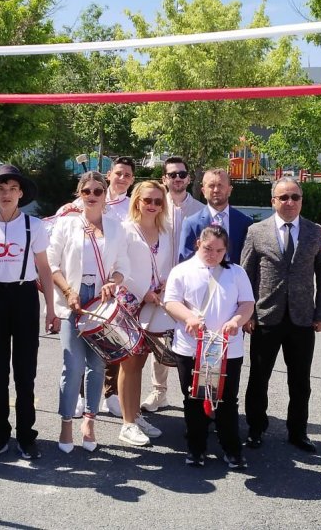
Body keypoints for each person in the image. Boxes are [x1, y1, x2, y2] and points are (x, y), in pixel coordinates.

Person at [0, 164, 56, 460]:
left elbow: (44, 269)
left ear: (21, 194)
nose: (6, 194)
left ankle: (26, 435)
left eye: (12, 189)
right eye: (0, 189)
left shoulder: (34, 227)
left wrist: (51, 310)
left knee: (25, 371)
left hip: (25, 295)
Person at [241, 177, 321, 453]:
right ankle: (256, 429)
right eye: (284, 197)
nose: (290, 202)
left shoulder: (315, 232)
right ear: (273, 201)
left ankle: (298, 432)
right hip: (266, 317)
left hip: (303, 319)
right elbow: (246, 275)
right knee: (258, 378)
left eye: (295, 197)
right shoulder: (257, 231)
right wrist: (247, 314)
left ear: (301, 200)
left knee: (300, 381)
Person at [48, 172, 131, 453]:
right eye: (87, 191)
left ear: (106, 194)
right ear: (79, 194)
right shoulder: (66, 224)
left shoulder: (116, 227)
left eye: (98, 191)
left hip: (100, 303)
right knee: (72, 367)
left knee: (97, 366)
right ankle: (66, 423)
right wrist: (68, 292)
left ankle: (90, 422)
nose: (93, 196)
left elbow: (123, 265)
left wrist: (113, 281)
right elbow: (50, 264)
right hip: (72, 300)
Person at [164, 225, 255, 469]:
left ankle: (232, 450)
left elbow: (247, 303)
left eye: (219, 250)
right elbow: (171, 302)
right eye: (208, 249)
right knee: (193, 398)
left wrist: (237, 321)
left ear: (226, 250)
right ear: (197, 244)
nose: (213, 255)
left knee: (226, 399)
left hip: (227, 348)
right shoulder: (182, 271)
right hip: (191, 346)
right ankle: (196, 449)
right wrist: (188, 318)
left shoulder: (236, 272)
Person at [142, 156, 204, 413]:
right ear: (164, 179)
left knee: (197, 338)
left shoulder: (201, 209)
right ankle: (159, 392)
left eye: (182, 174)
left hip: (194, 284)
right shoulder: (156, 205)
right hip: (161, 285)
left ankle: (200, 394)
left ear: (189, 178)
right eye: (172, 174)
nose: (177, 178)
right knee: (159, 339)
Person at [118, 180, 173, 446]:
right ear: (137, 201)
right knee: (129, 363)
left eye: (158, 201)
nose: (152, 205)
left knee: (140, 362)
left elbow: (169, 265)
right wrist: (144, 292)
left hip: (153, 305)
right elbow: (118, 268)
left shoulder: (166, 231)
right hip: (130, 303)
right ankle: (127, 423)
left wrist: (163, 288)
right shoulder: (125, 230)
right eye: (147, 200)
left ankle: (135, 415)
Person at [100, 156, 136, 417]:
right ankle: (82, 392)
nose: (122, 178)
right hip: (91, 279)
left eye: (127, 175)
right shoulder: (92, 197)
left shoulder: (133, 206)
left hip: (120, 282)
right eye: (119, 173)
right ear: (109, 174)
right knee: (87, 339)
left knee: (114, 340)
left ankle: (110, 392)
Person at [179, 168, 251, 265]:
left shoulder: (245, 223)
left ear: (229, 190)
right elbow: (185, 262)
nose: (216, 190)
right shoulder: (191, 224)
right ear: (203, 191)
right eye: (211, 186)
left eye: (220, 185)